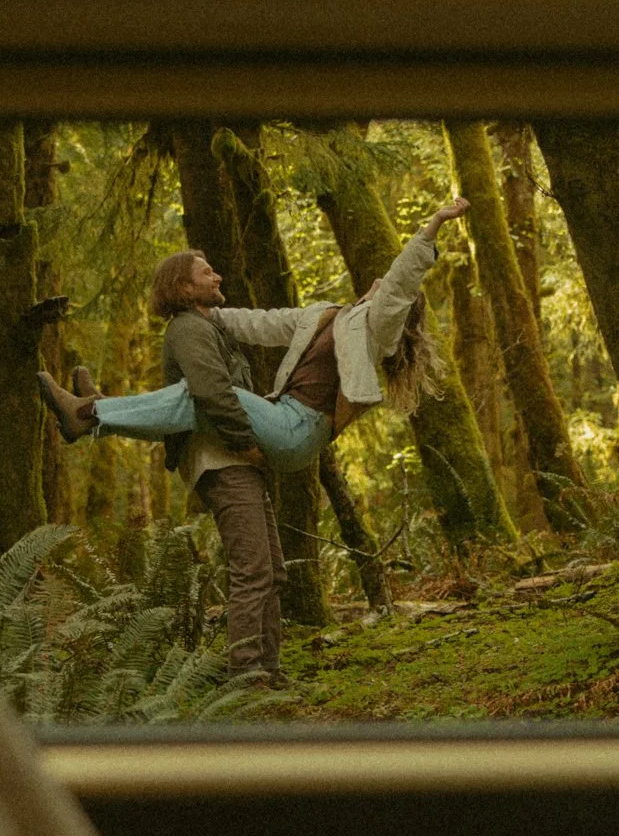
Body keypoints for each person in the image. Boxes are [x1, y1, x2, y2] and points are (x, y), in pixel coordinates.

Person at [36, 195, 469, 682]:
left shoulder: (373, 328)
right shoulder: (327, 316)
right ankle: (265, 672)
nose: (378, 286)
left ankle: (91, 413)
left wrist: (433, 225)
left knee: (202, 394)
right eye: (206, 274)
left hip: (299, 426)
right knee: (262, 559)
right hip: (281, 421)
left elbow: (401, 282)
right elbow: (258, 321)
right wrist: (200, 311)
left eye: (387, 290)